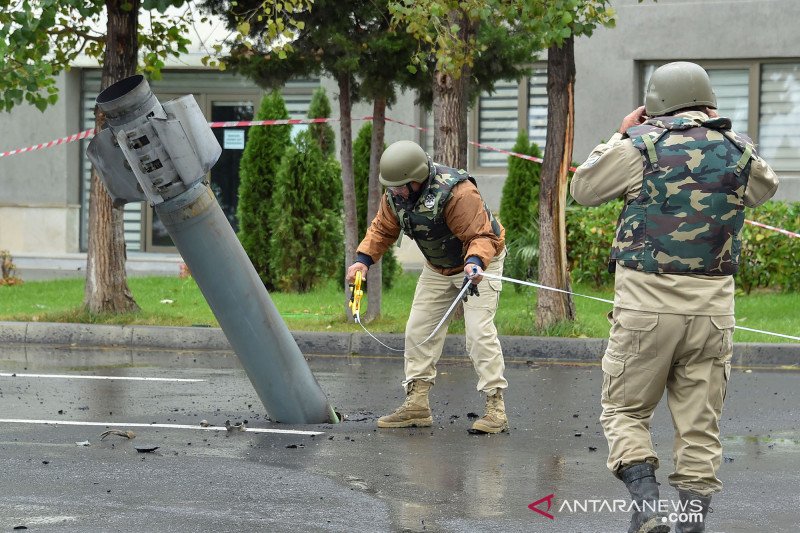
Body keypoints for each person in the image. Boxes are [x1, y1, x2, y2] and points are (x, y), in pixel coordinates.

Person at [571, 61, 779, 533]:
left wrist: (620, 134)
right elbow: (765, 189)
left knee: (624, 410)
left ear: (655, 103)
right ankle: (692, 524)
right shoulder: (738, 149)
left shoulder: (639, 146)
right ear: (707, 100)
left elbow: (582, 189)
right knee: (700, 425)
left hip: (645, 308)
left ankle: (647, 507)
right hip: (712, 314)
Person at [345, 140, 509, 434]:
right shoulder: (395, 196)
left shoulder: (458, 193)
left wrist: (475, 262)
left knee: (478, 332)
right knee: (418, 330)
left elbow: (482, 235)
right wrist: (362, 261)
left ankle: (495, 407)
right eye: (391, 186)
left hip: (480, 263)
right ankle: (417, 404)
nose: (393, 191)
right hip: (438, 267)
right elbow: (382, 229)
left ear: (416, 179)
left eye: (399, 186)